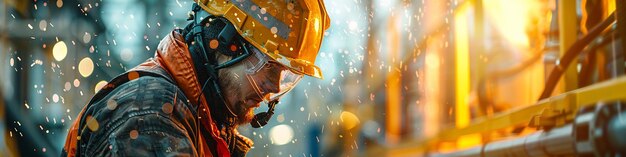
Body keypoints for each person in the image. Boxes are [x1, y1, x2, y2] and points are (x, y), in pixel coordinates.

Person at [61, 0, 330, 156]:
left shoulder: (201, 120)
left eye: (286, 76)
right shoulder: (149, 114)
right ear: (227, 42)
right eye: (270, 68)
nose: (273, 87)